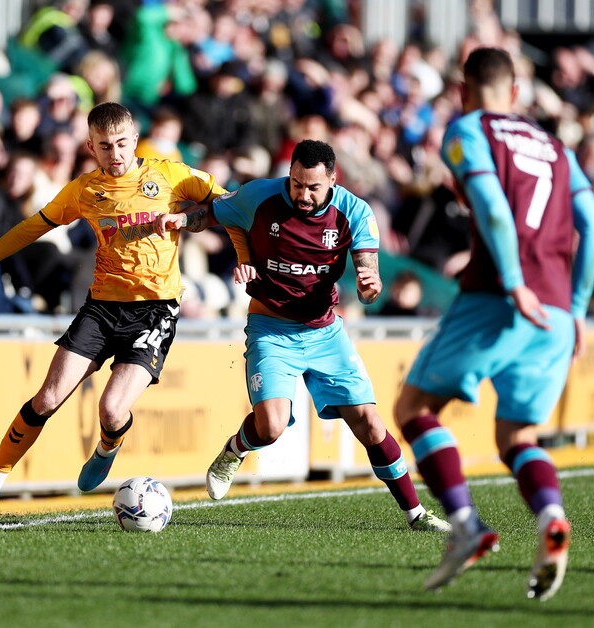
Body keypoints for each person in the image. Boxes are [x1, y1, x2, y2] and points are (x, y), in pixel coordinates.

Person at [0, 101, 227, 518]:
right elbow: (29, 229)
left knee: (111, 409)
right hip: (101, 308)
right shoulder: (85, 190)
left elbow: (230, 205)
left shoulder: (169, 174)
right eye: (105, 146)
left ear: (135, 140)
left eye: (122, 144)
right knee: (47, 397)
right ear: (91, 146)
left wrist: (205, 229)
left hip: (155, 310)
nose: (116, 154)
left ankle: (108, 445)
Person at [391, 47, 594, 599]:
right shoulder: (557, 148)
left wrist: (513, 282)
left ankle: (464, 526)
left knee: (413, 408)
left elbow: (489, 204)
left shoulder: (467, 129)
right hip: (556, 311)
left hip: (500, 297)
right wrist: (577, 309)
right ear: (516, 93)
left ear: (465, 89)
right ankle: (550, 518)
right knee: (517, 435)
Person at [155, 139, 450, 533]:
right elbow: (212, 213)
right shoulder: (260, 195)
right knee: (271, 427)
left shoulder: (355, 211)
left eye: (313, 187)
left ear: (332, 179)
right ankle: (234, 451)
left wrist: (369, 284)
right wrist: (182, 222)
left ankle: (416, 514)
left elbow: (369, 273)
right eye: (296, 183)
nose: (303, 194)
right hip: (271, 328)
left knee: (372, 427)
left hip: (325, 331)